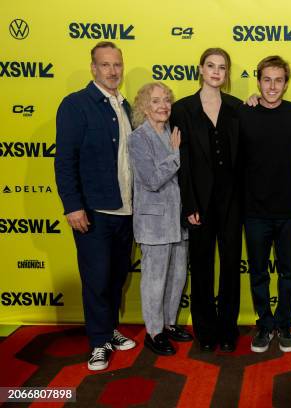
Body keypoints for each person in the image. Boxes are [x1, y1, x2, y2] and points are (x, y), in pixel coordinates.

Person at [55, 41, 136, 371]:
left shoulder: (127, 106)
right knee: (97, 278)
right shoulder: (77, 104)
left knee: (117, 277)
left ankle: (109, 329)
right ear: (93, 68)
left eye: (117, 65)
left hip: (127, 210)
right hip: (94, 212)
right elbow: (65, 161)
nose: (112, 71)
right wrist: (73, 206)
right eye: (105, 65)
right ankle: (97, 343)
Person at [170, 48, 243, 353]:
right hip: (199, 202)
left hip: (232, 201)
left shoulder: (238, 107)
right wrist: (189, 205)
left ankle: (227, 329)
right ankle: (206, 331)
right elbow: (182, 161)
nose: (216, 71)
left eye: (222, 67)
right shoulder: (183, 109)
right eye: (210, 66)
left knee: (229, 266)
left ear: (227, 74)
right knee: (201, 267)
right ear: (200, 69)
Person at [239, 56, 291, 353]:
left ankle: (284, 324)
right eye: (267, 80)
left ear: (286, 83)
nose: (272, 86)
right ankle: (264, 324)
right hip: (254, 211)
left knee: (288, 273)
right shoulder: (244, 113)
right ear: (258, 81)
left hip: (289, 211)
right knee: (258, 274)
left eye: (278, 80)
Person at [128, 82, 193, 356]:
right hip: (153, 223)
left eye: (167, 100)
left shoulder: (171, 131)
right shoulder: (138, 138)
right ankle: (154, 332)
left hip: (178, 220)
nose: (163, 105)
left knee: (177, 276)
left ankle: (168, 323)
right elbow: (152, 179)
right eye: (156, 101)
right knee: (155, 280)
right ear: (144, 106)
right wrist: (176, 154)